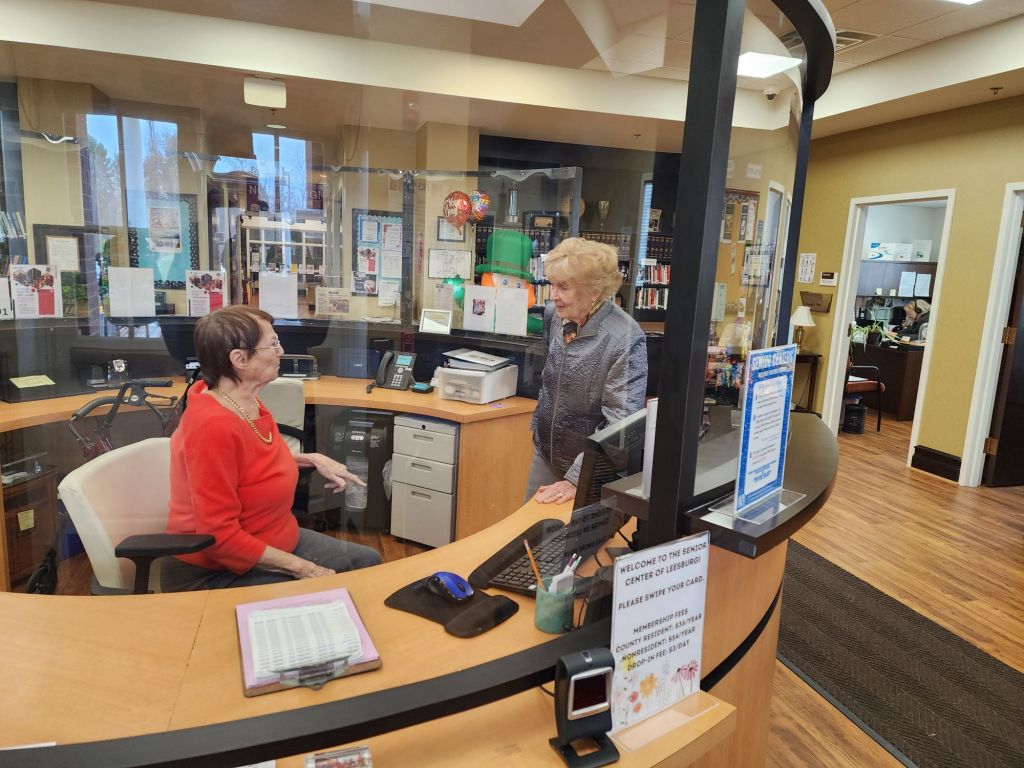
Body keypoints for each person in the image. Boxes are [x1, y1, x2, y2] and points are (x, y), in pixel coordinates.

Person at [162, 305, 381, 591]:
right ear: (240, 359)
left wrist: (311, 458)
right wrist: (305, 569)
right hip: (216, 569)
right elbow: (219, 537)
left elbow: (252, 465)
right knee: (332, 592)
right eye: (273, 343)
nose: (281, 351)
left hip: (276, 537)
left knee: (367, 561)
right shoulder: (212, 425)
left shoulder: (244, 400)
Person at [526, 237, 648, 504]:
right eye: (552, 284)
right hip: (547, 452)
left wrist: (576, 478)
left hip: (594, 465)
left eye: (564, 287)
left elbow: (621, 425)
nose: (553, 295)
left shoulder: (625, 338)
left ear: (593, 291)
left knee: (573, 531)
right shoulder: (554, 315)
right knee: (528, 526)